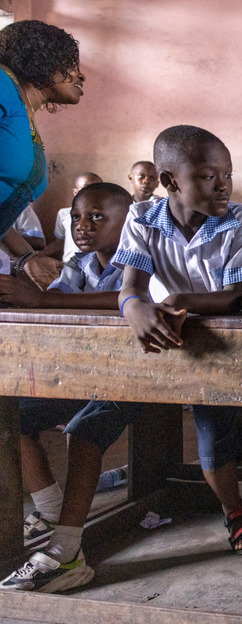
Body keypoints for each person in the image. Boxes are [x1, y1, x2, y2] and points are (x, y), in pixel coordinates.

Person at [115, 125, 242, 554]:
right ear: (169, 182)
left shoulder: (241, 218)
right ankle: (234, 510)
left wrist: (177, 298)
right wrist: (135, 309)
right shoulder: (142, 217)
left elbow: (239, 295)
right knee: (211, 430)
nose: (224, 186)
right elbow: (131, 286)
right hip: (193, 343)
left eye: (228, 174)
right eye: (207, 176)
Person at [0, 183, 148, 593]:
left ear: (129, 221)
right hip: (86, 374)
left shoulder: (140, 261)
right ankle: (49, 511)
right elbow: (56, 302)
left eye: (97, 217)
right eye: (78, 217)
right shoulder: (79, 264)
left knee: (82, 432)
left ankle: (67, 554)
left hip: (137, 375)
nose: (82, 226)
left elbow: (125, 298)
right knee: (15, 418)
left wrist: (41, 301)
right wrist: (24, 300)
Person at [0, 20, 83, 288]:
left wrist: (27, 258)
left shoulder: (22, 110)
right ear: (43, 60)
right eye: (72, 65)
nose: (81, 76)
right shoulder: (2, 84)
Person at [45, 172, 102, 261]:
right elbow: (59, 243)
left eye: (96, 188)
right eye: (85, 188)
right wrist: (39, 254)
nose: (91, 192)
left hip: (95, 268)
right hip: (70, 267)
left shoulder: (106, 216)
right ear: (75, 192)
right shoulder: (64, 214)